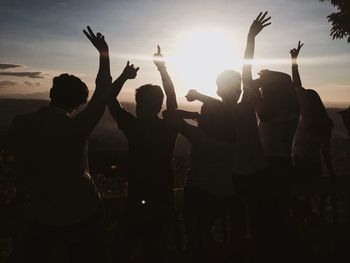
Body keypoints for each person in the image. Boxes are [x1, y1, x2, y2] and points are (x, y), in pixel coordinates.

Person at [7, 26, 112, 263]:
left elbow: (20, 165)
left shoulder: (20, 123)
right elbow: (103, 92)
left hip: (42, 214)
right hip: (83, 211)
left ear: (51, 94)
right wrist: (103, 53)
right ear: (77, 103)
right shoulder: (77, 127)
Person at [185, 12, 270, 259]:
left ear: (219, 90)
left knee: (238, 225)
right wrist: (250, 37)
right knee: (248, 225)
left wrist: (199, 96)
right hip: (256, 171)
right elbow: (246, 70)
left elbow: (243, 74)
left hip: (238, 177)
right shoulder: (243, 106)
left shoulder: (224, 111)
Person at [107, 46, 178, 263]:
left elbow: (109, 99)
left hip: (137, 198)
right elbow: (172, 96)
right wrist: (162, 68)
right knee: (158, 249)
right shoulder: (169, 126)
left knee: (126, 248)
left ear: (139, 105)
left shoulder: (133, 127)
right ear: (159, 105)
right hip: (164, 196)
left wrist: (123, 77)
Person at [163, 101, 235, 263]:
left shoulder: (199, 135)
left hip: (199, 193)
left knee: (196, 235)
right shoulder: (234, 137)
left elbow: (168, 114)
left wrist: (195, 116)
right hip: (226, 194)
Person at [290, 41, 338, 223]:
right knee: (305, 199)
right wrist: (331, 172)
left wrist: (294, 61)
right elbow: (326, 150)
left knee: (294, 200)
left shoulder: (307, 119)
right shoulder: (325, 122)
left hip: (301, 166)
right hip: (315, 167)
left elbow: (297, 87)